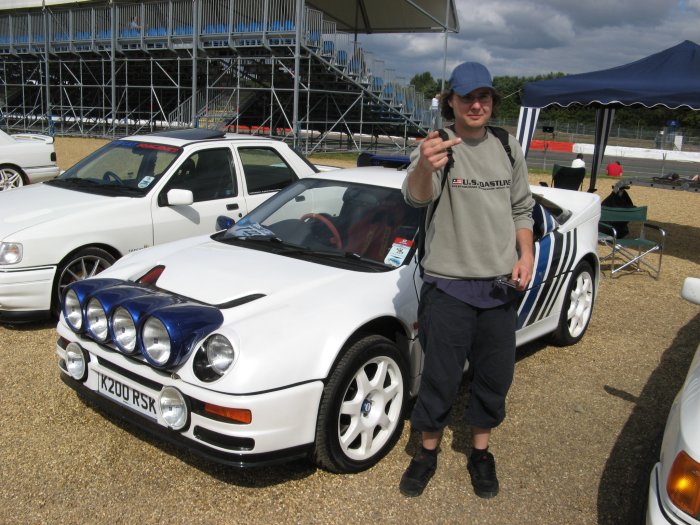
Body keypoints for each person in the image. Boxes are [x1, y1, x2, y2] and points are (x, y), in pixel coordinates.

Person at [399, 62, 534, 499]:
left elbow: (521, 209)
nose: (477, 105)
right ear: (451, 102)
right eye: (467, 97)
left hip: (500, 287)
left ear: (492, 101)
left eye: (485, 97)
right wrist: (423, 166)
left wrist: (526, 254)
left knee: (495, 376)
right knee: (439, 377)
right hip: (449, 286)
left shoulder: (508, 146)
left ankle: (480, 452)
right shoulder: (438, 147)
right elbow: (416, 196)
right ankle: (426, 453)